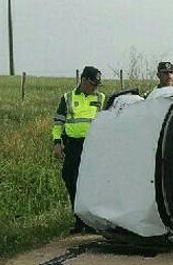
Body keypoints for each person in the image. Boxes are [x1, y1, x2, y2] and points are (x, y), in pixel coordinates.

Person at [51, 66, 105, 234]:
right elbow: (58, 122)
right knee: (70, 177)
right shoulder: (68, 98)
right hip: (74, 145)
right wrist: (57, 142)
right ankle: (79, 218)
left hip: (93, 145)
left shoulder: (101, 98)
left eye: (97, 84)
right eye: (91, 83)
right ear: (82, 80)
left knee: (90, 182)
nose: (94, 87)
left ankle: (91, 221)